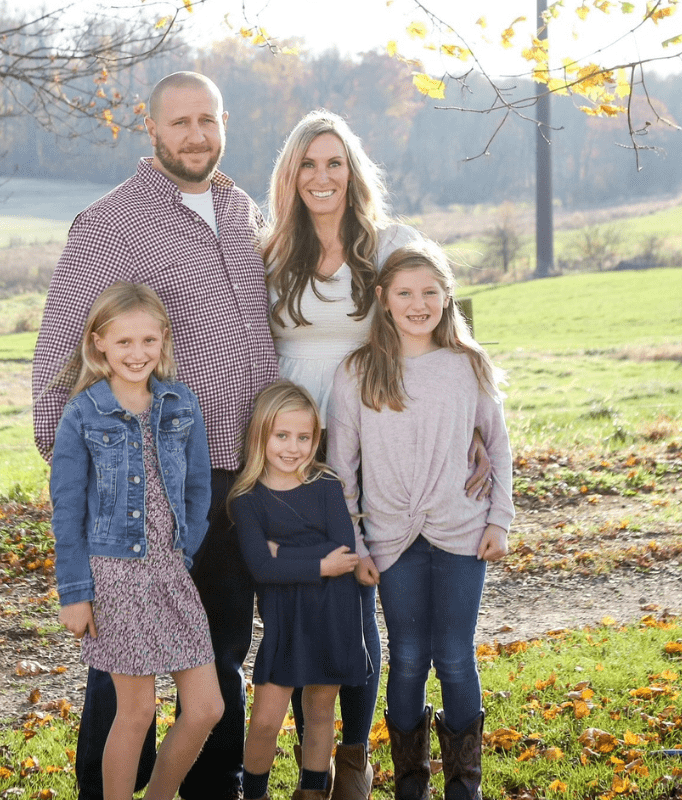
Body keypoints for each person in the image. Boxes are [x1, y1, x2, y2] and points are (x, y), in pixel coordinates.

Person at [33, 71, 279, 800]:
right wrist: (87, 471)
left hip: (237, 481)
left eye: (208, 119)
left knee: (222, 654)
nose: (196, 134)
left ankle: (211, 790)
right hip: (148, 493)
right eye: (180, 122)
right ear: (152, 129)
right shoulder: (110, 223)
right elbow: (57, 357)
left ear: (224, 121)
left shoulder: (239, 208)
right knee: (125, 672)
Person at [261, 109, 490, 800]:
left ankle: (356, 758)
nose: (322, 176)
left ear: (353, 172)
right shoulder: (270, 252)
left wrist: (472, 422)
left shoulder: (390, 242)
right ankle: (315, 763)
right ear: (291, 175)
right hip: (297, 442)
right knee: (303, 598)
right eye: (308, 163)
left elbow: (445, 315)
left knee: (360, 594)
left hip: (377, 434)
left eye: (335, 162)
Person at [328, 240, 514, 800]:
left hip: (462, 531)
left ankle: (464, 783)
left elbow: (499, 447)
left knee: (455, 656)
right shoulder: (358, 371)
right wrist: (356, 544)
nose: (418, 304)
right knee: (407, 657)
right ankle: (411, 780)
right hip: (390, 540)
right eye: (405, 293)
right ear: (382, 299)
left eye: (430, 292)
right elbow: (342, 469)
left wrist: (499, 521)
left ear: (447, 297)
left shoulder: (468, 365)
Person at [50, 281, 223, 800]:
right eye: (123, 342)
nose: (137, 353)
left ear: (164, 340)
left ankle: (159, 795)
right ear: (98, 342)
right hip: (114, 576)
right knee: (137, 711)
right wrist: (75, 592)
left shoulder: (179, 403)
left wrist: (185, 549)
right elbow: (67, 509)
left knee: (207, 707)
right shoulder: (83, 413)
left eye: (148, 341)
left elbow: (197, 487)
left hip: (170, 572)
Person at [228, 381, 370, 800]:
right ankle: (254, 793)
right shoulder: (247, 499)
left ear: (316, 439)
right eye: (282, 436)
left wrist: (283, 552)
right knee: (266, 720)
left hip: (334, 614)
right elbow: (261, 568)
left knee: (320, 710)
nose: (293, 447)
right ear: (261, 436)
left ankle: (312, 792)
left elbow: (344, 555)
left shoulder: (326, 485)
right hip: (286, 621)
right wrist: (316, 563)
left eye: (304, 437)